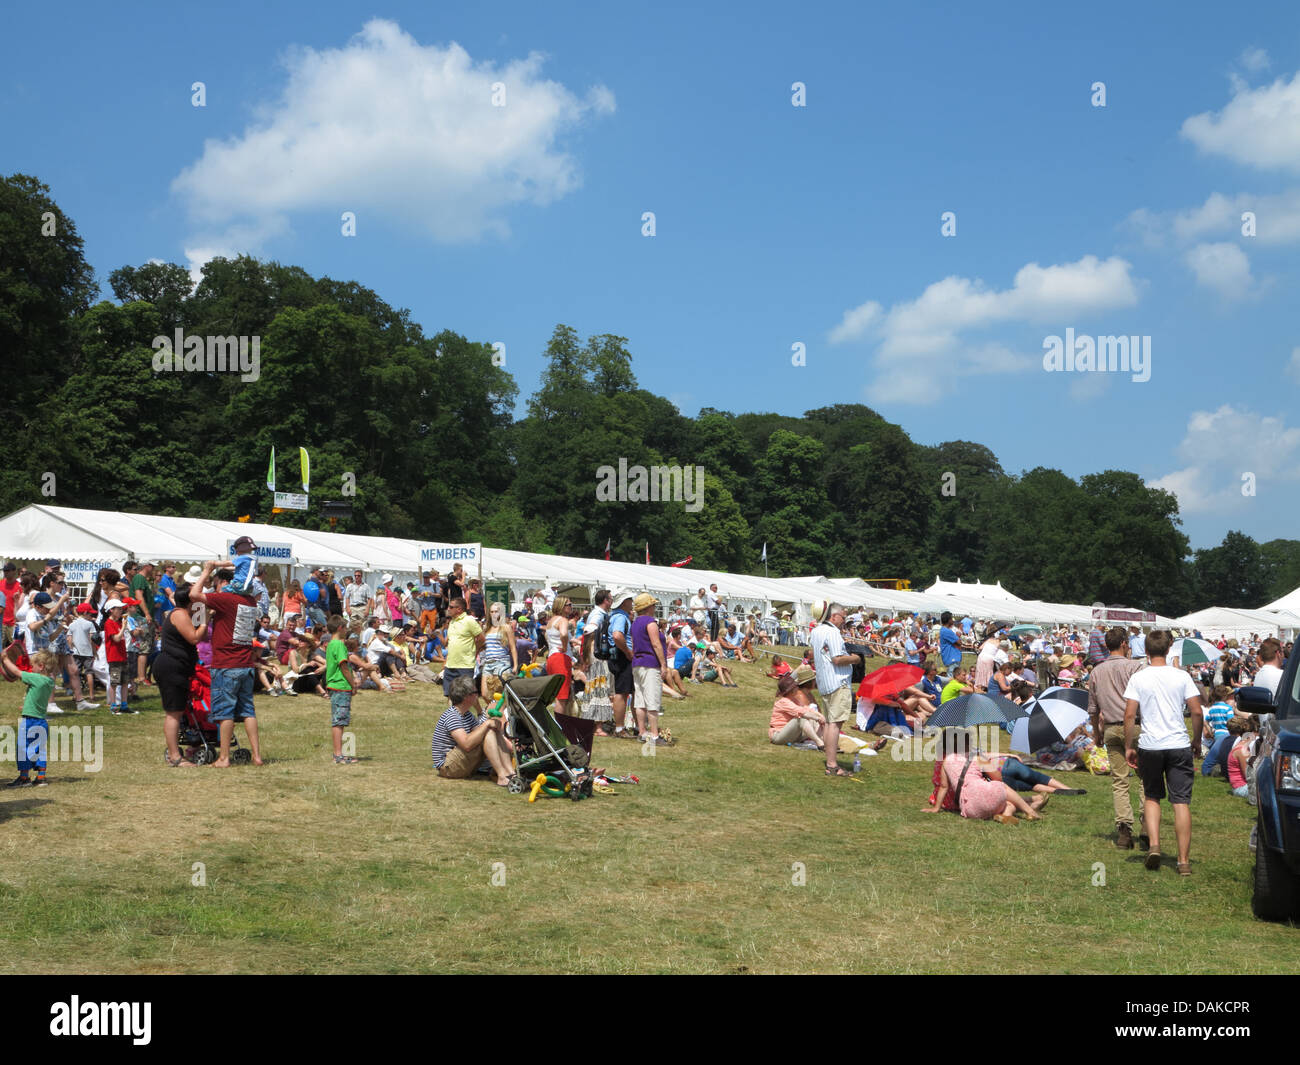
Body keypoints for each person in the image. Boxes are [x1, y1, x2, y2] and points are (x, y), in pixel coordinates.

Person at [1123, 629, 1203, 875]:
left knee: (1152, 796)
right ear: (1169, 650)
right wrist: (1196, 740)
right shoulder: (1182, 676)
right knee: (1180, 802)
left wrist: (1128, 746)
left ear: (1145, 652)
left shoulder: (1139, 677)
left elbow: (1129, 714)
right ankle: (1183, 860)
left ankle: (1155, 845)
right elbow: (1197, 711)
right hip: (1178, 743)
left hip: (1150, 744)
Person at [190, 566, 265, 767]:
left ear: (225, 583)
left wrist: (206, 570)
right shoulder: (249, 601)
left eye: (217, 585)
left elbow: (194, 594)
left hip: (226, 664)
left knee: (225, 712)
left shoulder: (226, 599)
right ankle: (257, 756)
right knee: (248, 711)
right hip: (245, 664)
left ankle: (224, 758)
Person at [924, 730, 1045, 822]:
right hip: (987, 797)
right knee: (1002, 787)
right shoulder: (978, 758)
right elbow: (998, 778)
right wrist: (987, 766)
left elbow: (943, 787)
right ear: (967, 743)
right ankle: (1030, 811)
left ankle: (1007, 815)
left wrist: (936, 808)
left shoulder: (947, 760)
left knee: (1006, 803)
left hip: (971, 809)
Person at [432, 674, 514, 785]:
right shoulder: (452, 716)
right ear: (466, 697)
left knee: (490, 731)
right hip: (447, 767)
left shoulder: (467, 715)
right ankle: (502, 776)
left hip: (457, 761)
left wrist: (494, 726)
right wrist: (487, 724)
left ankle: (510, 773)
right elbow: (466, 744)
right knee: (488, 730)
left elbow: (479, 733)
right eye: (476, 693)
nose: (478, 696)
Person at [811, 602, 860, 777]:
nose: (844, 620)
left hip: (824, 682)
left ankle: (831, 762)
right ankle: (832, 765)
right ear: (833, 616)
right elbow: (837, 659)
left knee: (831, 722)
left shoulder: (816, 631)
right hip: (837, 681)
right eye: (843, 617)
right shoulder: (832, 632)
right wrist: (855, 658)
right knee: (835, 723)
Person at [2, 645, 58, 787]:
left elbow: (16, 672)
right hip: (41, 721)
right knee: (39, 749)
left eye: (32, 666)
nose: (30, 669)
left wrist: (5, 659)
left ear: (41, 666)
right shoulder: (50, 681)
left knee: (23, 748)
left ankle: (24, 777)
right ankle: (41, 778)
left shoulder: (36, 678)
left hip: (29, 721)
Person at [630, 593, 668, 745]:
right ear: (649, 607)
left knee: (640, 700)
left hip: (637, 663)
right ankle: (654, 735)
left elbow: (634, 644)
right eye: (653, 605)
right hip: (650, 663)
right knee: (652, 700)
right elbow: (656, 644)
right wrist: (663, 664)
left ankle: (642, 731)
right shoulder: (650, 622)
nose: (655, 607)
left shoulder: (635, 623)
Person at [324, 615, 359, 765]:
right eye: (345, 627)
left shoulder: (331, 644)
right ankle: (338, 755)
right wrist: (353, 683)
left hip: (336, 686)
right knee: (339, 721)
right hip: (340, 685)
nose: (346, 630)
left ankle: (340, 753)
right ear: (340, 628)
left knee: (340, 720)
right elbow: (344, 666)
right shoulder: (338, 645)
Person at [580, 589, 614, 732]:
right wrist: (587, 655)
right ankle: (597, 727)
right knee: (598, 688)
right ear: (605, 600)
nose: (612, 601)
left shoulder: (601, 614)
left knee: (597, 688)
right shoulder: (598, 615)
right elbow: (588, 631)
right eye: (611, 598)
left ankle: (595, 724)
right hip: (596, 654)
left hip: (595, 653)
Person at [769, 666, 827, 749]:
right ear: (791, 690)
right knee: (801, 720)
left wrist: (818, 715)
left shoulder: (794, 700)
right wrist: (817, 717)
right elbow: (801, 712)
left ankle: (825, 742)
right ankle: (819, 743)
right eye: (795, 687)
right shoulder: (783, 702)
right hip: (778, 735)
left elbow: (806, 708)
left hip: (791, 735)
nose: (797, 687)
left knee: (812, 719)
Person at [442, 596, 483, 697]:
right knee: (450, 695)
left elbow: (481, 638)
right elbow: (450, 643)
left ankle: (478, 712)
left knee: (467, 696)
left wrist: (476, 650)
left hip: (465, 665)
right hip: (450, 665)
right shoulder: (451, 622)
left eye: (451, 607)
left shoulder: (469, 620)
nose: (448, 609)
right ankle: (453, 713)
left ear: (459, 609)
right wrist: (446, 661)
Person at [607, 590, 635, 737]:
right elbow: (617, 636)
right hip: (622, 657)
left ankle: (620, 727)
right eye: (630, 600)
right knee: (622, 693)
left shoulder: (615, 616)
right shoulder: (621, 618)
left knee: (622, 692)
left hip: (617, 656)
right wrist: (628, 651)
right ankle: (619, 728)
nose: (632, 602)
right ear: (624, 602)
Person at [545, 594, 576, 715]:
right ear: (562, 606)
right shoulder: (563, 620)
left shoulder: (551, 621)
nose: (571, 607)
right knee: (562, 697)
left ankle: (559, 725)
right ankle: (560, 727)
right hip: (561, 658)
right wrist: (564, 647)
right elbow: (563, 634)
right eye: (569, 604)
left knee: (558, 695)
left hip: (552, 658)